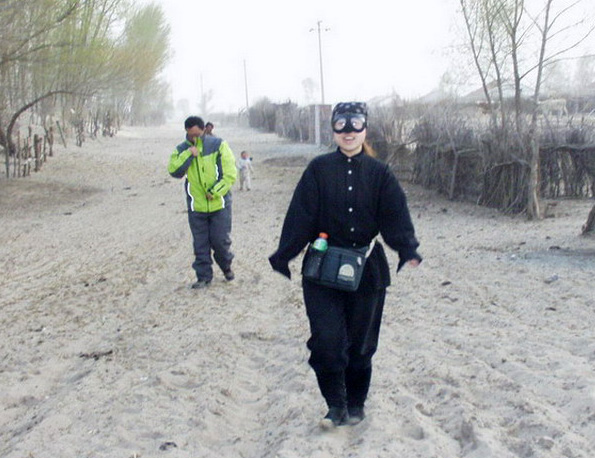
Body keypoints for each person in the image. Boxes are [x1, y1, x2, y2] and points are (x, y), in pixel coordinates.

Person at [269, 102, 422, 429]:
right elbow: (301, 216)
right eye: (341, 124)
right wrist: (285, 253)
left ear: (365, 129)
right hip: (322, 270)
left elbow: (394, 214)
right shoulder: (318, 170)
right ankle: (334, 406)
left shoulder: (380, 174)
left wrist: (406, 246)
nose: (349, 131)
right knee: (327, 341)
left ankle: (355, 404)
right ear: (334, 130)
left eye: (355, 124)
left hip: (367, 270)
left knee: (361, 343)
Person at [168, 116, 237, 289]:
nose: (195, 138)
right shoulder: (181, 149)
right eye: (191, 135)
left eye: (198, 134)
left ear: (204, 130)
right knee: (200, 243)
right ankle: (203, 277)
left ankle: (226, 266)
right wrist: (189, 154)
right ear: (186, 132)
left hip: (219, 204)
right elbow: (174, 170)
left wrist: (214, 191)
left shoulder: (219, 145)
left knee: (220, 241)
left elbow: (229, 174)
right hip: (196, 206)